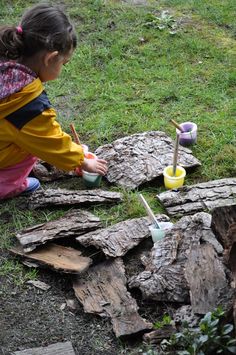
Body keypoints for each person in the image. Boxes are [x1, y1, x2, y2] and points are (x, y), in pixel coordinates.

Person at [0, 4, 108, 199]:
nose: (63, 67)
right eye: (64, 63)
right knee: (28, 147)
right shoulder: (25, 104)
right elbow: (50, 141)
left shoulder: (6, 60)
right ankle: (7, 186)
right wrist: (82, 160)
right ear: (50, 58)